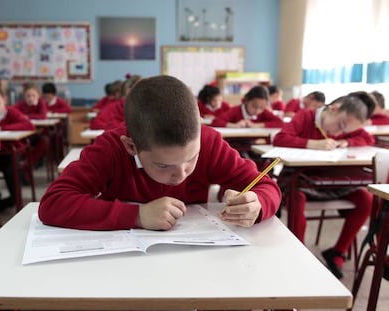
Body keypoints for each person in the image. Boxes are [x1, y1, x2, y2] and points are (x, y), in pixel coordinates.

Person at [39, 75, 281, 232]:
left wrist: (257, 204)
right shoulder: (110, 148)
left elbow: (267, 186)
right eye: (163, 165)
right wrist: (137, 215)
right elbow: (53, 203)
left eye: (191, 159)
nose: (180, 174)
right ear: (131, 146)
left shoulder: (208, 142)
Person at [273, 91, 376, 279]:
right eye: (340, 126)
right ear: (333, 109)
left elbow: (368, 139)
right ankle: (299, 254)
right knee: (297, 198)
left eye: (343, 131)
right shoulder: (307, 116)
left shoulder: (346, 124)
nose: (337, 132)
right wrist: (312, 143)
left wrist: (347, 141)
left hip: (330, 182)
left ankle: (337, 252)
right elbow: (280, 138)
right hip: (301, 181)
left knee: (366, 199)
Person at [210, 85, 284, 128]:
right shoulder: (236, 110)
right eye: (254, 106)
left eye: (261, 108)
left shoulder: (264, 112)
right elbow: (215, 122)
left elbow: (280, 123)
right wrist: (235, 125)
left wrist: (258, 125)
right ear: (247, 100)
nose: (257, 111)